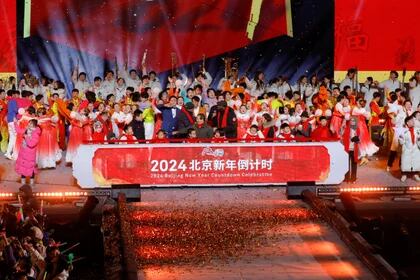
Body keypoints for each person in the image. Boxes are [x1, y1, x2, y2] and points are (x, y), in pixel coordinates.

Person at [15, 119, 41, 186]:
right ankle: (23, 183)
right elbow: (19, 131)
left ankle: (31, 183)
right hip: (23, 153)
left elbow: (31, 144)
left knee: (30, 168)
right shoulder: (27, 130)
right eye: (29, 123)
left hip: (30, 155)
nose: (29, 125)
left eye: (31, 124)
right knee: (23, 168)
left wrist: (26, 137)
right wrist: (15, 123)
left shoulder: (36, 134)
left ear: (35, 126)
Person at [398, 115, 420, 182]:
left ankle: (416, 174)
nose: (413, 122)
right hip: (407, 149)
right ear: (407, 122)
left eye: (413, 120)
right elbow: (401, 142)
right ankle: (404, 174)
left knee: (416, 161)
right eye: (411, 121)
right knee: (405, 162)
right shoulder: (404, 131)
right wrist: (401, 138)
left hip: (416, 149)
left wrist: (419, 140)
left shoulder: (418, 130)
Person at [342, 116, 360, 183]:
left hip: (354, 149)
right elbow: (343, 136)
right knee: (346, 164)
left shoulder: (357, 129)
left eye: (354, 121)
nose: (352, 122)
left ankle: (353, 178)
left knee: (354, 164)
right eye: (351, 121)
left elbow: (358, 140)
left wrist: (356, 139)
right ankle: (346, 178)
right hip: (347, 149)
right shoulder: (347, 128)